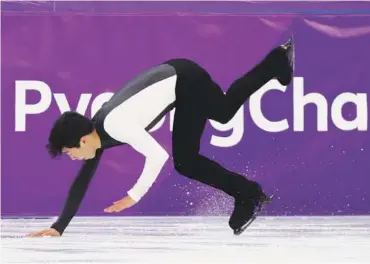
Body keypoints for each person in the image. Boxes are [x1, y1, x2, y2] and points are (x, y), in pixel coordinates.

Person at [26, 39, 294, 237]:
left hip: (185, 82)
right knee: (223, 112)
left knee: (185, 161)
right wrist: (58, 227)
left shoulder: (116, 125)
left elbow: (158, 156)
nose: (73, 158)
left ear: (83, 141)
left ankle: (248, 194)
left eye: (70, 152)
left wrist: (133, 196)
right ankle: (276, 61)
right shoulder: (97, 131)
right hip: (180, 72)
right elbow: (82, 181)